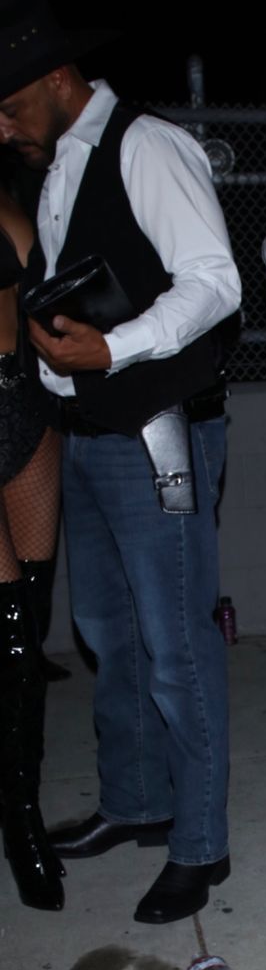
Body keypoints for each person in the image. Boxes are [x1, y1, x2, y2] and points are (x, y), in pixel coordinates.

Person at [0, 0, 242, 923]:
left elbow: (215, 283)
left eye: (10, 107)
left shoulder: (146, 145)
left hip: (159, 433)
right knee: (108, 634)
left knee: (177, 644)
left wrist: (114, 347)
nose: (3, 128)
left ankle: (201, 842)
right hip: (90, 436)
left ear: (58, 79)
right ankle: (137, 801)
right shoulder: (60, 161)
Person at [0, 179, 65, 909]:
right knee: (12, 634)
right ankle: (22, 825)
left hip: (24, 398)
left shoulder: (23, 189)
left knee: (33, 616)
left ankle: (23, 799)